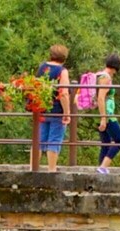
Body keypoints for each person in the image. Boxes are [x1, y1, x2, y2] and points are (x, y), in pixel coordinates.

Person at [38, 44, 73, 172]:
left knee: (39, 140)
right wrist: (67, 112)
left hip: (42, 108)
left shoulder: (42, 67)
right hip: (57, 110)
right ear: (64, 57)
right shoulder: (62, 71)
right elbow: (63, 93)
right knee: (54, 140)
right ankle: (51, 170)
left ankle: (33, 168)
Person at [94, 53, 120, 174]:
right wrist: (104, 118)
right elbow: (101, 98)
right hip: (107, 115)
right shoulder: (106, 78)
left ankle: (100, 169)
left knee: (105, 144)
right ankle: (103, 167)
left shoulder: (98, 75)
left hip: (98, 113)